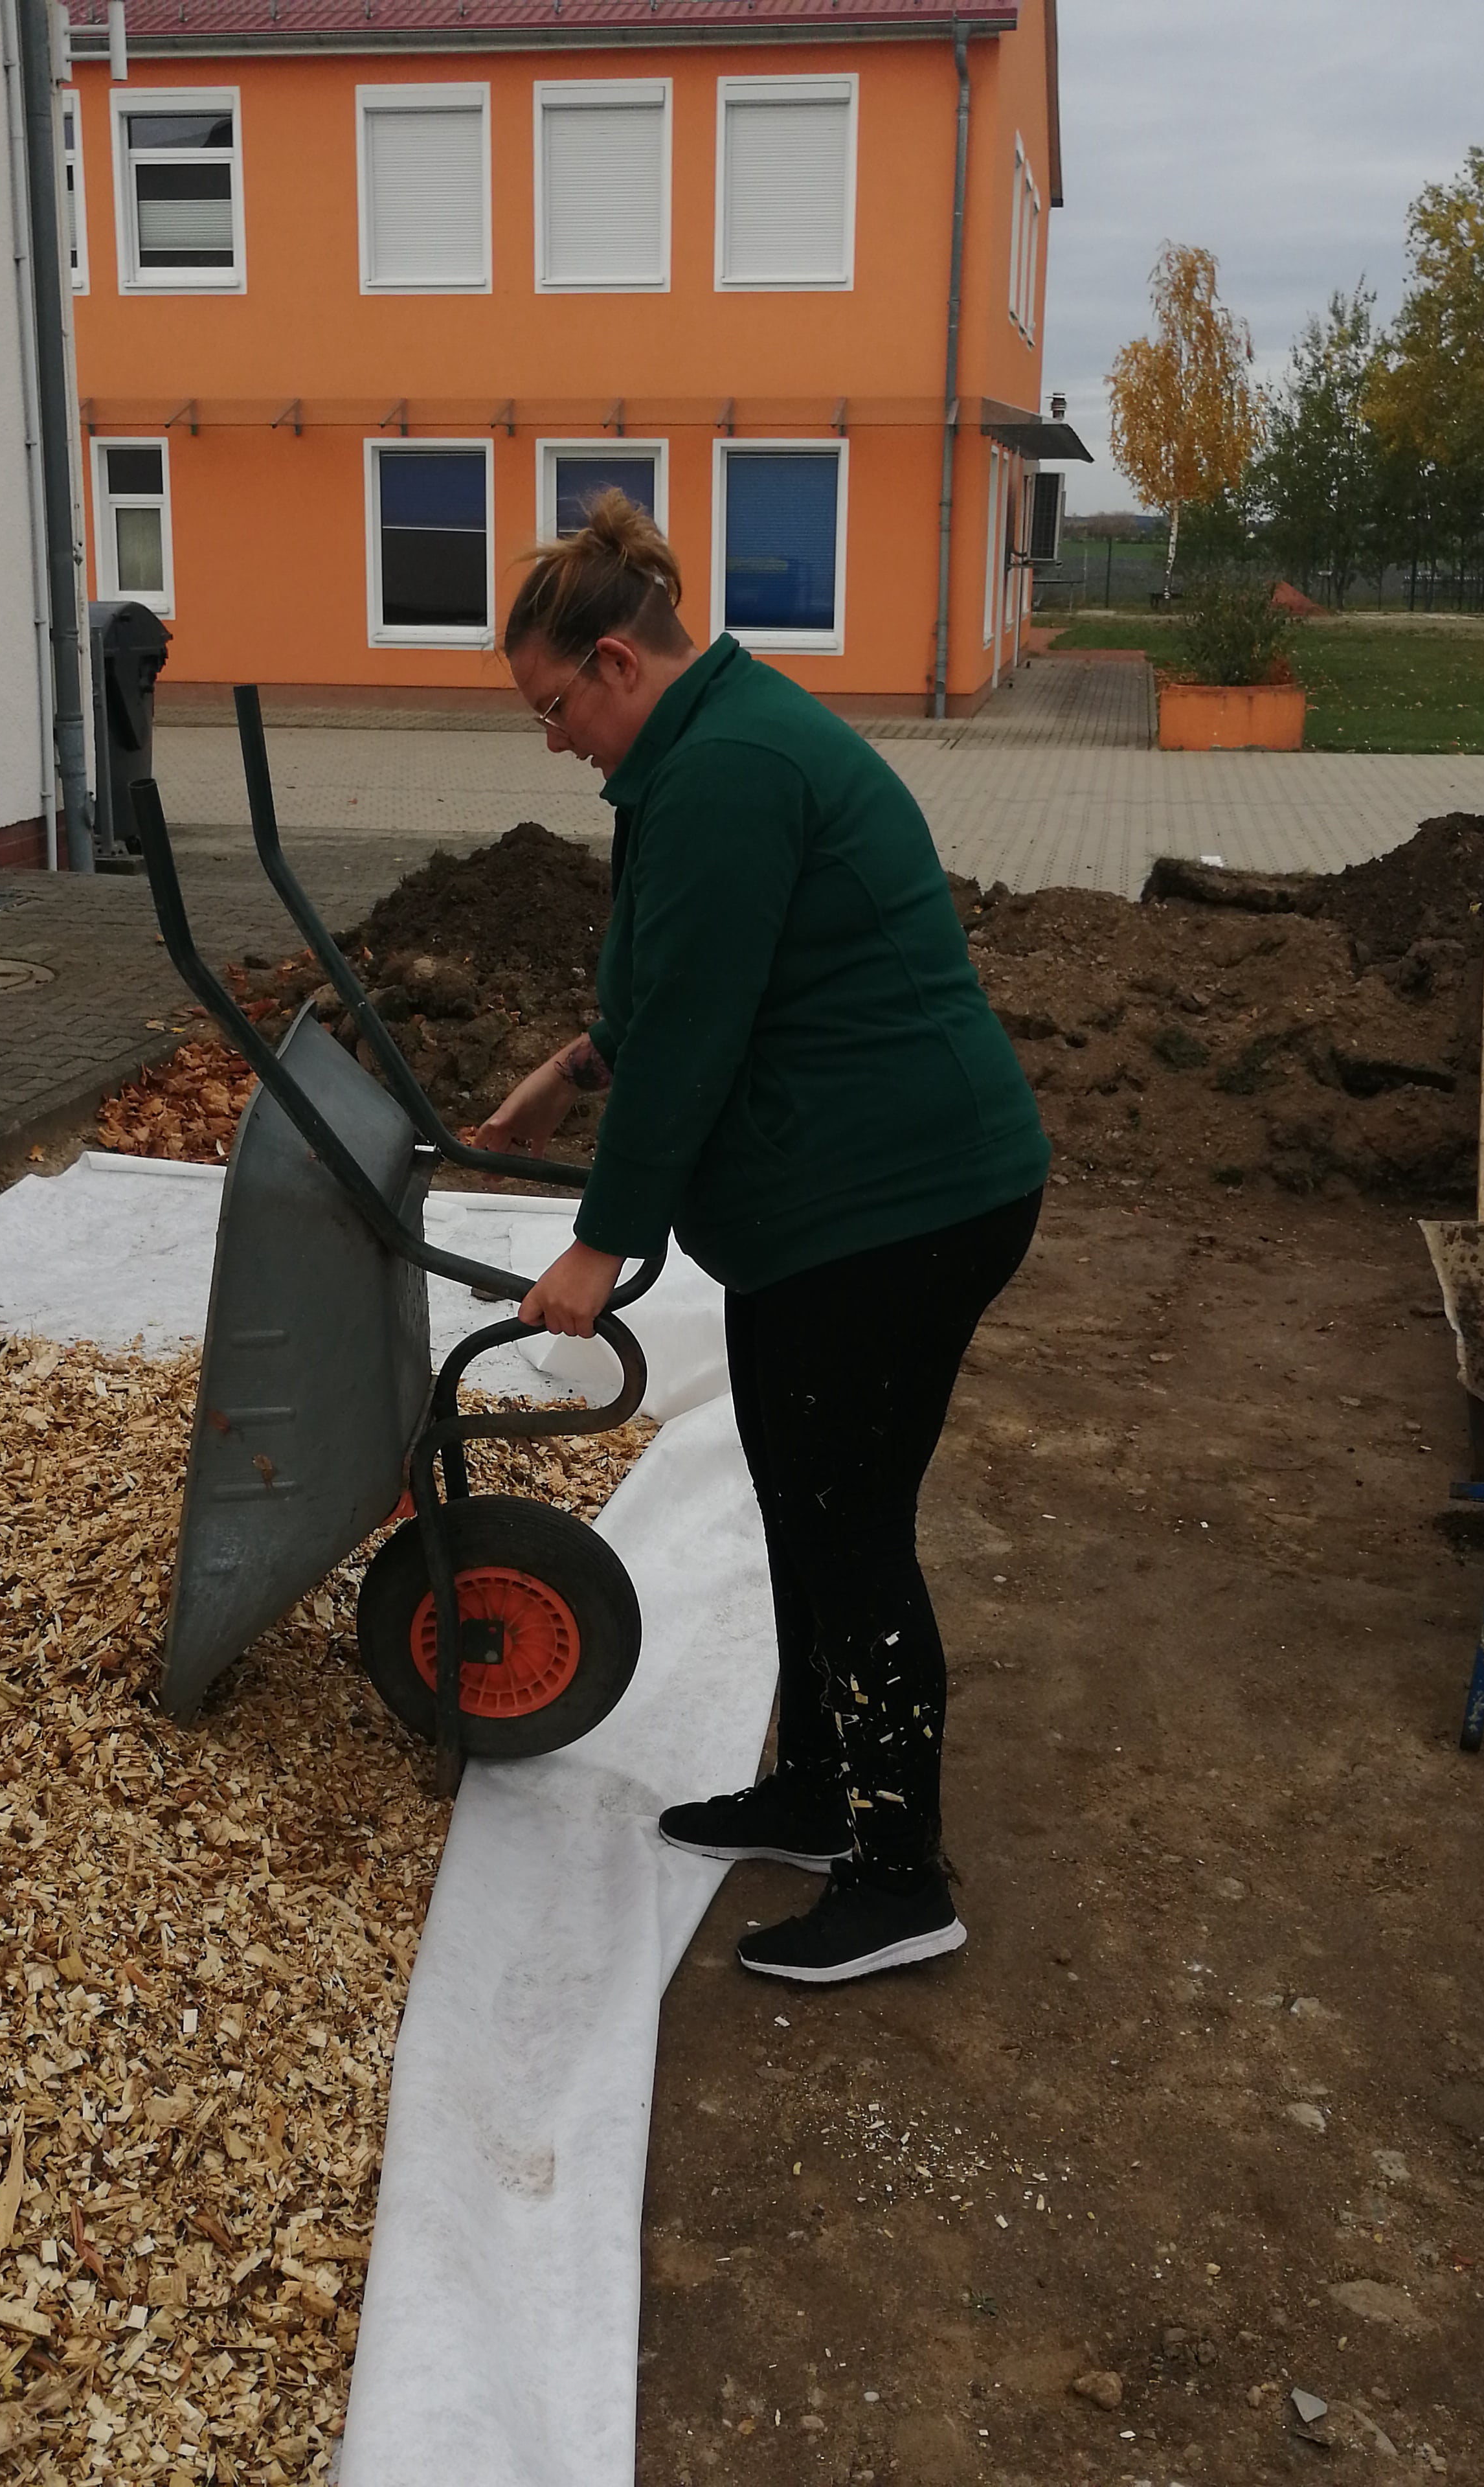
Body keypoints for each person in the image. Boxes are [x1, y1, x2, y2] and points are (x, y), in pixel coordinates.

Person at [481, 492, 1048, 1986]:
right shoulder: (705, 744)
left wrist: (601, 1246)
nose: (553, 740)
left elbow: (697, 1035)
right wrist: (574, 1067)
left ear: (615, 662)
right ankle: (818, 1788)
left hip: (902, 1208)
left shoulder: (727, 767)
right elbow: (692, 975)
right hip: (845, 1207)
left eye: (553, 708)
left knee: (851, 1530)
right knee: (804, 1500)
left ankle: (901, 1877)